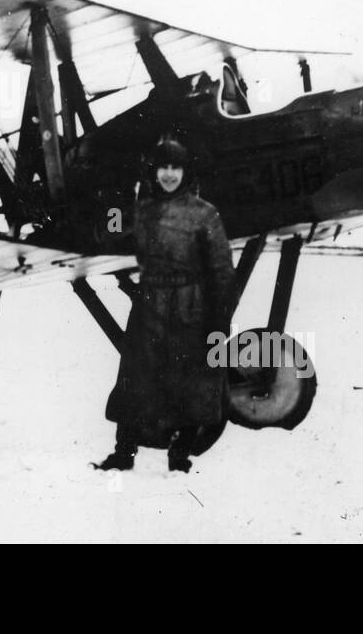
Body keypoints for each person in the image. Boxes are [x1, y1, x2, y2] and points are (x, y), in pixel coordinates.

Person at [94, 137, 236, 473]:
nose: (169, 174)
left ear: (185, 172)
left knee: (192, 382)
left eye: (176, 167)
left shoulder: (205, 214)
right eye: (163, 167)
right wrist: (114, 199)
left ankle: (180, 455)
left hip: (192, 308)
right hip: (149, 305)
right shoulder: (142, 210)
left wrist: (220, 319)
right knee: (136, 377)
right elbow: (111, 232)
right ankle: (123, 453)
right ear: (154, 171)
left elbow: (222, 271)